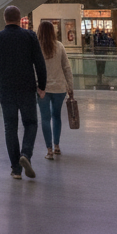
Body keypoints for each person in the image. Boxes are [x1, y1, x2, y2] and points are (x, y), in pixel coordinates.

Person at [0, 6, 47, 179]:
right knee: (31, 123)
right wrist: (42, 85)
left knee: (10, 126)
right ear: (20, 19)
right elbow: (39, 62)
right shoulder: (29, 36)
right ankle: (25, 154)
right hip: (26, 86)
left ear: (4, 18)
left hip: (6, 87)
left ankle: (16, 169)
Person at [36, 21, 74, 159]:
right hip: (59, 87)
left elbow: (33, 68)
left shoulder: (37, 47)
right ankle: (57, 145)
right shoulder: (59, 46)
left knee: (45, 118)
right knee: (56, 116)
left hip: (42, 88)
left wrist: (35, 85)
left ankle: (49, 150)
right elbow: (66, 67)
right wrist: (70, 87)